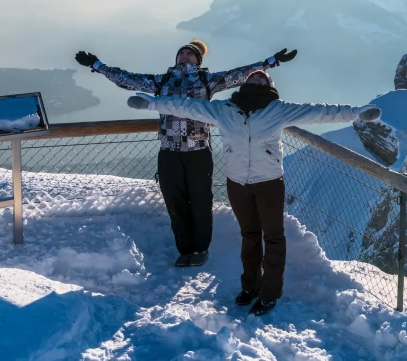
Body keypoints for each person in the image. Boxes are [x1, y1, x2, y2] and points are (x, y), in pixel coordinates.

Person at [126, 70, 380, 316]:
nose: (257, 76)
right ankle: (249, 287)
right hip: (237, 183)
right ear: (244, 84)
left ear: (269, 85)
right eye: (252, 76)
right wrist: (151, 103)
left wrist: (357, 113)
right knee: (249, 235)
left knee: (273, 238)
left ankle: (269, 293)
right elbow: (186, 106)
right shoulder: (225, 109)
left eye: (262, 76)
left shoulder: (278, 109)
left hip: (269, 182)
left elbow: (320, 111)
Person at [74, 41, 297, 268]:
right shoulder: (162, 81)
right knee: (175, 203)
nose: (184, 55)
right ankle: (184, 250)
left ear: (198, 61)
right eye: (181, 52)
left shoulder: (206, 80)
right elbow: (127, 79)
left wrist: (271, 62)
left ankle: (201, 249)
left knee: (201, 202)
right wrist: (97, 64)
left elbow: (238, 75)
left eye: (190, 53)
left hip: (198, 152)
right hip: (169, 152)